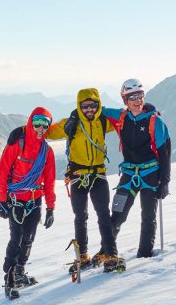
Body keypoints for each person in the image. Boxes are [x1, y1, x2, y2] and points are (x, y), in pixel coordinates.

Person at [45, 89, 123, 272]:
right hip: (78, 175)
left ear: (98, 106)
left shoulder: (103, 121)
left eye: (93, 105)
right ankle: (83, 255)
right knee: (81, 217)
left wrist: (147, 111)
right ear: (79, 106)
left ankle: (111, 254)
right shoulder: (70, 124)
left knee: (103, 215)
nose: (89, 109)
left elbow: (124, 118)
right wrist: (24, 130)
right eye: (85, 106)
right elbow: (46, 132)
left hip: (98, 174)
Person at [0, 107, 57, 297]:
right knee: (17, 239)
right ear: (31, 123)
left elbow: (50, 180)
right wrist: (3, 201)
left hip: (34, 201)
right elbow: (2, 172)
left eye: (44, 125)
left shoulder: (47, 151)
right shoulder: (17, 144)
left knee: (28, 238)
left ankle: (19, 272)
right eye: (37, 124)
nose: (40, 128)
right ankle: (10, 278)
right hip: (16, 201)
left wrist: (50, 207)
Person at [110, 79, 172, 258]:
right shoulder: (121, 117)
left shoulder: (155, 121)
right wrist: (77, 115)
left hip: (150, 174)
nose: (137, 100)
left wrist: (164, 182)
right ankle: (107, 251)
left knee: (148, 217)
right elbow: (97, 111)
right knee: (117, 214)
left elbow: (165, 154)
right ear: (125, 100)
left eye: (140, 96)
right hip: (128, 175)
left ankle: (144, 254)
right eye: (132, 97)